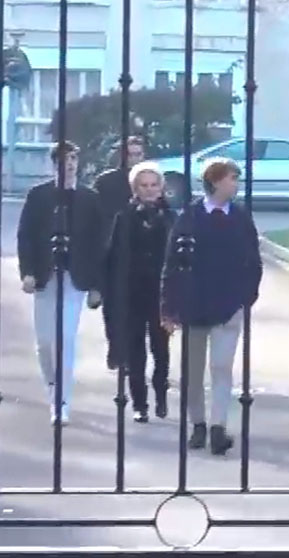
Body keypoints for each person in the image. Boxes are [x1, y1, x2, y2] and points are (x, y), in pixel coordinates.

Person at [160, 157, 263, 455]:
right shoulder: (190, 217)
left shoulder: (241, 217)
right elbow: (172, 263)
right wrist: (168, 307)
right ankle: (198, 425)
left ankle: (218, 426)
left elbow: (253, 260)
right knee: (193, 370)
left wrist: (247, 296)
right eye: (232, 178)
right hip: (194, 303)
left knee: (221, 366)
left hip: (229, 304)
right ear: (216, 181)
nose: (236, 184)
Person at [17, 141, 104, 425]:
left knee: (64, 340)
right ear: (54, 163)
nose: (70, 165)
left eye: (74, 159)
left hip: (75, 277)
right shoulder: (38, 195)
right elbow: (25, 235)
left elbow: (98, 243)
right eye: (64, 160)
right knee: (44, 342)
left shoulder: (90, 198)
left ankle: (61, 403)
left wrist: (96, 286)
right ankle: (53, 387)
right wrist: (27, 271)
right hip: (44, 275)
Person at [103, 161, 176, 423]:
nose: (149, 190)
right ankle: (140, 404)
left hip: (161, 294)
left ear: (161, 187)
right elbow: (112, 256)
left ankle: (161, 395)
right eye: (143, 185)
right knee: (135, 352)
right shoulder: (123, 217)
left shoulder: (170, 217)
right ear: (135, 188)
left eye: (153, 184)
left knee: (161, 350)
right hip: (132, 293)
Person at [94, 136, 146, 370]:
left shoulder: (149, 180)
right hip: (112, 252)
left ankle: (132, 354)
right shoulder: (107, 182)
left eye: (139, 153)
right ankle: (116, 348)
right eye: (131, 154)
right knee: (113, 307)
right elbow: (97, 216)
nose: (135, 158)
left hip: (142, 253)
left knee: (138, 307)